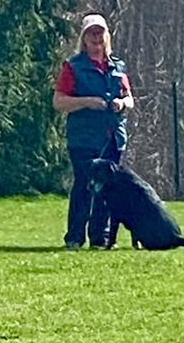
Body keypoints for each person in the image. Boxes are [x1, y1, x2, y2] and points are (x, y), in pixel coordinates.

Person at [53, 14, 134, 249]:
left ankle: (101, 237)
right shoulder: (73, 67)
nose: (97, 38)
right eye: (92, 33)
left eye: (100, 33)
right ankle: (75, 237)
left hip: (113, 137)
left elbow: (130, 98)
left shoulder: (117, 67)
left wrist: (122, 103)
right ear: (84, 38)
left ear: (107, 36)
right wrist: (87, 102)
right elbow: (59, 101)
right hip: (84, 138)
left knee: (108, 188)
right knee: (84, 186)